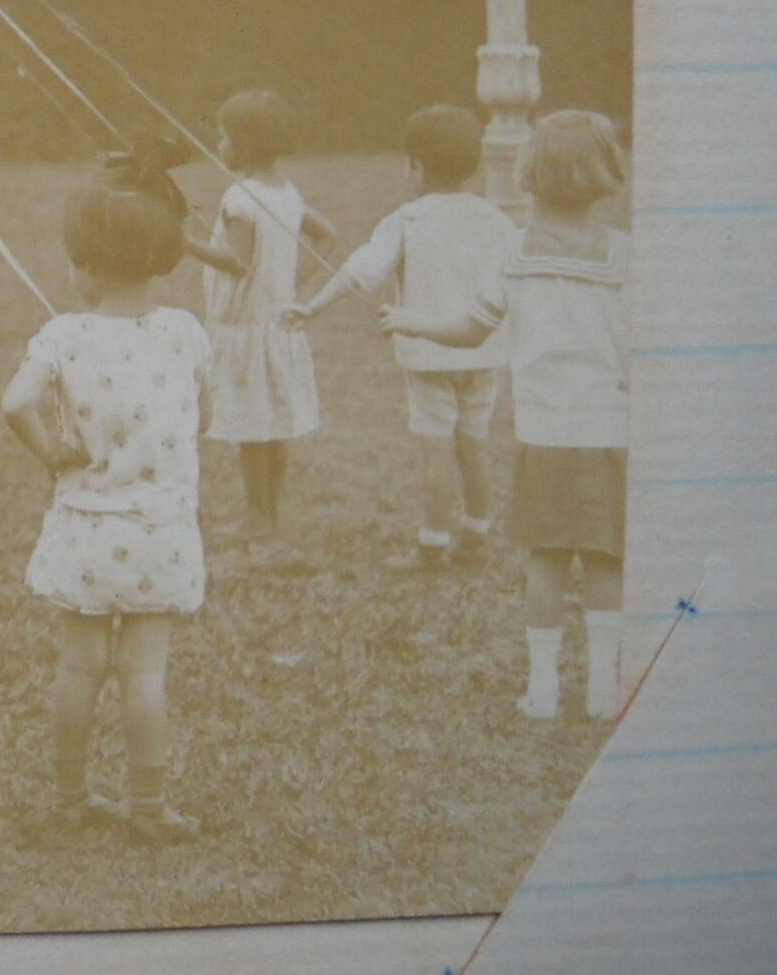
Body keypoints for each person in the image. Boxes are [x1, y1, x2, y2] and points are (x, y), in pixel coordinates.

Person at [383, 112, 630, 721]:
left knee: (545, 559)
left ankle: (543, 690)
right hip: (611, 433)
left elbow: (470, 330)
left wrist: (411, 320)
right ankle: (604, 690)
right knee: (605, 559)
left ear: (529, 177)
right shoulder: (624, 257)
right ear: (607, 177)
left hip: (544, 435)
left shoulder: (513, 251)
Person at [1, 155, 212, 844]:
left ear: (87, 267)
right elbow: (204, 416)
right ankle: (148, 807)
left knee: (79, 668)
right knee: (144, 674)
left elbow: (15, 403)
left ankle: (69, 799)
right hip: (161, 531)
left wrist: (51, 450)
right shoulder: (184, 333)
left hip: (87, 530)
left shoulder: (64, 335)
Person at [288, 105, 518, 571]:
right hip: (483, 353)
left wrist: (312, 306)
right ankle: (476, 535)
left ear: (414, 166)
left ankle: (433, 545)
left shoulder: (407, 220)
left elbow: (358, 271)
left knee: (436, 449)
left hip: (430, 358)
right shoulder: (495, 219)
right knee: (473, 444)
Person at [185, 90, 334, 562]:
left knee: (254, 427)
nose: (219, 142)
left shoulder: (239, 196)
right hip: (276, 326)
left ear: (244, 145)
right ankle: (268, 511)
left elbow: (236, 262)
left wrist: (183, 242)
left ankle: (258, 517)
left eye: (225, 135)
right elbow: (326, 237)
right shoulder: (285, 191)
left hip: (246, 328)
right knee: (273, 425)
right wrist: (289, 284)